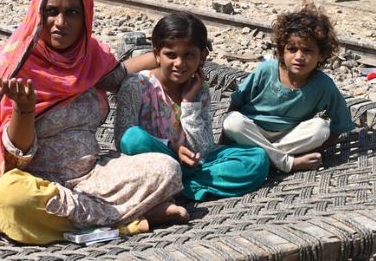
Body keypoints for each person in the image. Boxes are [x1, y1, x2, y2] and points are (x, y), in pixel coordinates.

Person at [0, 0, 187, 245]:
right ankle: (126, 222)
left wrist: (168, 60)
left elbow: (121, 75)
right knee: (9, 198)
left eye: (72, 13)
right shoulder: (15, 64)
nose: (60, 22)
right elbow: (13, 160)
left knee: (167, 168)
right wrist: (24, 110)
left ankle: (95, 218)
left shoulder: (90, 56)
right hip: (37, 183)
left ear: (86, 18)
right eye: (51, 11)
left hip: (93, 177)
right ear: (38, 13)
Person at [114, 13, 269, 201]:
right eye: (171, 55)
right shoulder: (136, 86)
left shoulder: (199, 89)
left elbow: (203, 149)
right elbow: (124, 142)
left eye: (189, 55)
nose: (179, 64)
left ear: (202, 56)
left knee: (257, 158)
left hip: (195, 165)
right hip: (153, 164)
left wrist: (189, 103)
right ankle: (180, 183)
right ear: (157, 54)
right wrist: (172, 148)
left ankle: (179, 187)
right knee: (133, 137)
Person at [222, 3, 355, 173]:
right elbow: (236, 102)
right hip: (253, 131)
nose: (299, 57)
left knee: (320, 128)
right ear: (281, 50)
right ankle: (285, 163)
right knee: (232, 121)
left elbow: (339, 124)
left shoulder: (323, 85)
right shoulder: (266, 70)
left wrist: (318, 149)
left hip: (289, 138)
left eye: (307, 50)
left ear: (321, 54)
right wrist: (222, 145)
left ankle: (264, 157)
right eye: (292, 49)